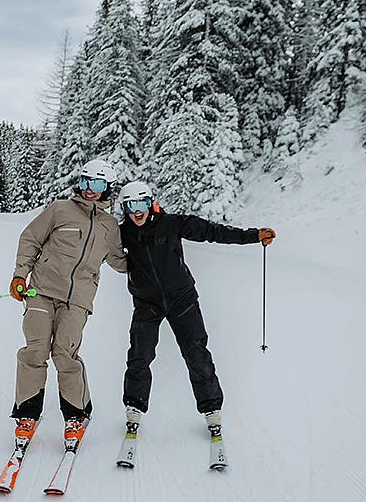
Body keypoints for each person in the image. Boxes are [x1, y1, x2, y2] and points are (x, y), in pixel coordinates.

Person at [114, 179, 275, 443]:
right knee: (139, 356)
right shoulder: (123, 233)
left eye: (141, 203)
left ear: (151, 203)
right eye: (130, 206)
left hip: (182, 300)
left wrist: (252, 235)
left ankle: (211, 408)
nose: (137, 211)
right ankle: (134, 407)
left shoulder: (172, 224)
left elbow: (213, 232)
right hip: (147, 303)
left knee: (196, 353)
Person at [7, 159, 128, 451]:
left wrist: (153, 253)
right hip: (41, 291)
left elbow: (120, 262)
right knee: (35, 350)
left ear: (107, 189)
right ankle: (26, 416)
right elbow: (30, 239)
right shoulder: (60, 209)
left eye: (97, 185)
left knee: (65, 354)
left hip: (78, 300)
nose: (90, 190)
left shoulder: (110, 226)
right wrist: (20, 274)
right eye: (86, 183)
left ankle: (76, 416)